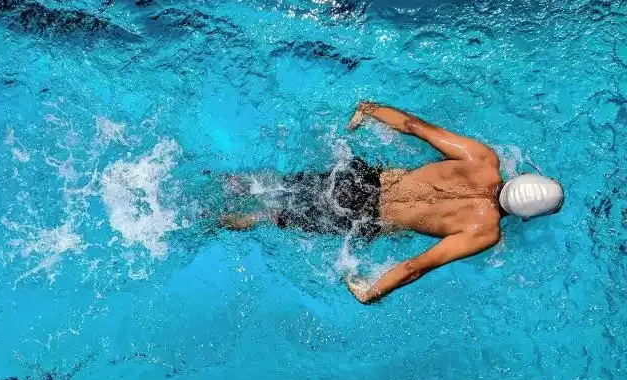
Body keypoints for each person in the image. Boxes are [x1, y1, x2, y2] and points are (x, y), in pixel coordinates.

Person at [220, 102, 564, 304]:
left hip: (359, 179)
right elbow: (417, 266)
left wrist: (370, 110)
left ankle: (223, 181)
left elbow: (415, 127)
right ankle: (212, 221)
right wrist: (372, 292)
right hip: (365, 218)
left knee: (270, 184)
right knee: (269, 216)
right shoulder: (485, 232)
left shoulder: (482, 159)